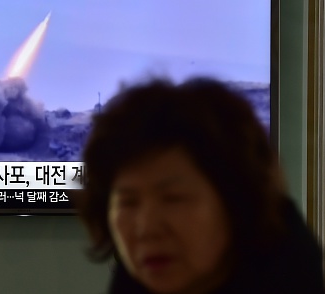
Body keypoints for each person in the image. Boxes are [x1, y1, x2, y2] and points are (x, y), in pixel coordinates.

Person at [74, 77, 324, 294]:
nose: (146, 228)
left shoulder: (290, 277)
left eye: (173, 198)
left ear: (237, 201)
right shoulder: (137, 282)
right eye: (128, 202)